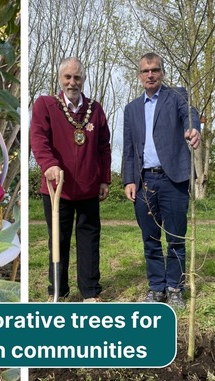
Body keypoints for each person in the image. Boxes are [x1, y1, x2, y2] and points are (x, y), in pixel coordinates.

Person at [123, 52, 201, 309]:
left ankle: (175, 287)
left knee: (176, 237)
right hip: (144, 181)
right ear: (139, 75)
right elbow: (128, 149)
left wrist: (193, 129)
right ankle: (157, 288)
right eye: (145, 71)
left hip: (173, 179)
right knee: (150, 239)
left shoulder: (176, 96)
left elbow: (190, 112)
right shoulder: (131, 109)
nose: (150, 75)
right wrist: (128, 180)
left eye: (155, 70)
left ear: (162, 73)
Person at [30, 57, 111, 302]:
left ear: (83, 79)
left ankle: (89, 291)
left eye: (77, 77)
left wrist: (104, 179)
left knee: (88, 238)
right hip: (57, 188)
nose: (72, 82)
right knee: (59, 238)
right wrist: (50, 165)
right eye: (68, 77)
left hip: (87, 188)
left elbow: (103, 146)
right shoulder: (45, 104)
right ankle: (58, 291)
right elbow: (38, 139)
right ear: (60, 78)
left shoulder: (94, 109)